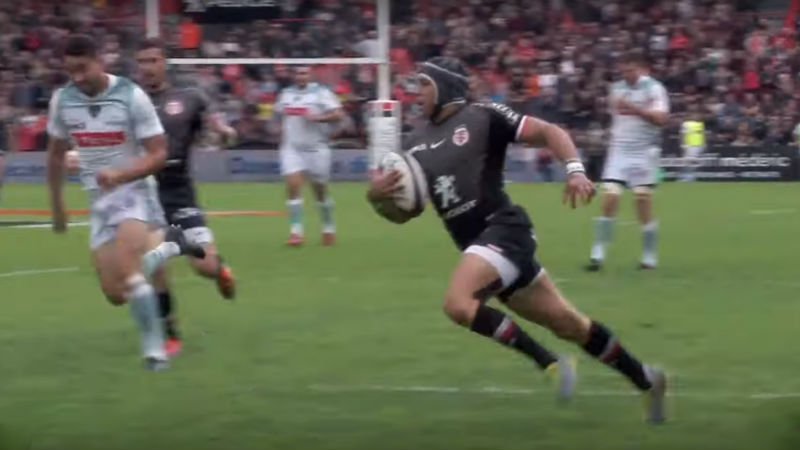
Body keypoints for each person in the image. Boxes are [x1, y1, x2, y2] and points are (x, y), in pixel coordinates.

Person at [367, 57, 667, 423]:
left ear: (445, 86)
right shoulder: (413, 144)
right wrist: (377, 198)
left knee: (458, 304)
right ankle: (647, 379)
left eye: (424, 84)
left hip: (505, 230)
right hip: (481, 249)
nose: (416, 93)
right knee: (569, 324)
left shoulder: (483, 115)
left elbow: (549, 132)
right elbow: (404, 213)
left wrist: (575, 170)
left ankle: (549, 363)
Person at [46, 34, 204, 370]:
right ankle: (170, 245)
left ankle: (154, 350)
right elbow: (55, 154)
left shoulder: (131, 96)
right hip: (98, 200)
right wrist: (57, 204)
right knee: (116, 293)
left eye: (83, 68)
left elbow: (159, 154)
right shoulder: (63, 100)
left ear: (99, 61)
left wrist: (122, 175)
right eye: (71, 70)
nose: (77, 77)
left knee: (132, 274)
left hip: (134, 193)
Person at [135, 38, 237, 356]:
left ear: (164, 62)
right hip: (144, 193)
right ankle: (170, 332)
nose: (147, 67)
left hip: (179, 192)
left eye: (153, 60)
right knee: (155, 264)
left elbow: (216, 124)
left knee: (203, 265)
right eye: (142, 62)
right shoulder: (130, 100)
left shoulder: (189, 97)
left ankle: (220, 269)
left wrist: (225, 132)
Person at [587, 52, 669, 271]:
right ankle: (598, 254)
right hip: (619, 151)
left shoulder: (654, 89)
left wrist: (633, 107)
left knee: (642, 201)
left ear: (641, 69)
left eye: (630, 70)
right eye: (623, 71)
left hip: (643, 152)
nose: (626, 75)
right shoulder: (616, 89)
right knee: (610, 198)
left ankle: (649, 256)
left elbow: (661, 119)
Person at [275, 66, 344, 246]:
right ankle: (296, 232)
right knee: (293, 185)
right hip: (292, 148)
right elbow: (278, 116)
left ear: (310, 75)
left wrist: (318, 118)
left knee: (319, 190)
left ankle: (328, 226)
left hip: (316, 147)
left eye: (304, 73)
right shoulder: (285, 94)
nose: (301, 77)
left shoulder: (321, 93)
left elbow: (338, 114)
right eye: (298, 73)